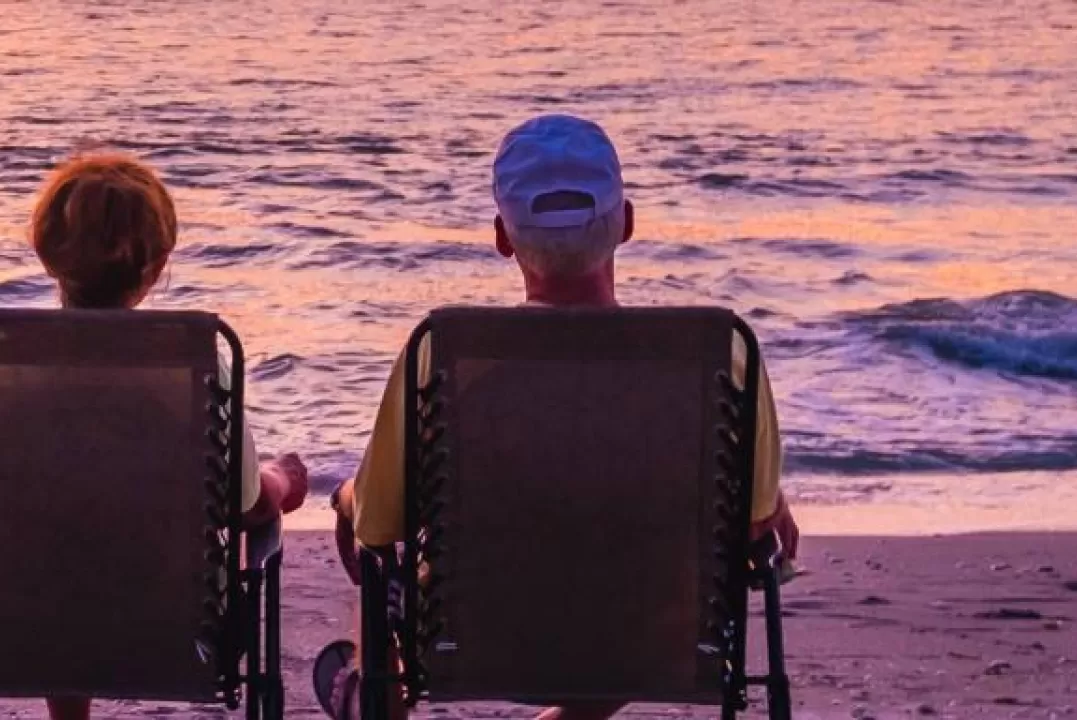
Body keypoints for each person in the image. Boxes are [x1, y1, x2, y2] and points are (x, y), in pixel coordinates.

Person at [325, 114, 799, 720]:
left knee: (365, 530)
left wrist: (344, 499)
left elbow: (378, 523)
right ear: (626, 223)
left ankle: (372, 693)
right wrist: (772, 502)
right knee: (655, 567)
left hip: (473, 642)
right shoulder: (719, 357)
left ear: (502, 236)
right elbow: (755, 521)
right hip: (662, 644)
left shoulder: (441, 361)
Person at [29, 153, 310, 720]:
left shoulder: (16, 369)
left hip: (20, 622)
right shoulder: (194, 364)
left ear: (47, 255)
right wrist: (280, 480)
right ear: (158, 266)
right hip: (173, 629)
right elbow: (247, 505)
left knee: (55, 534)